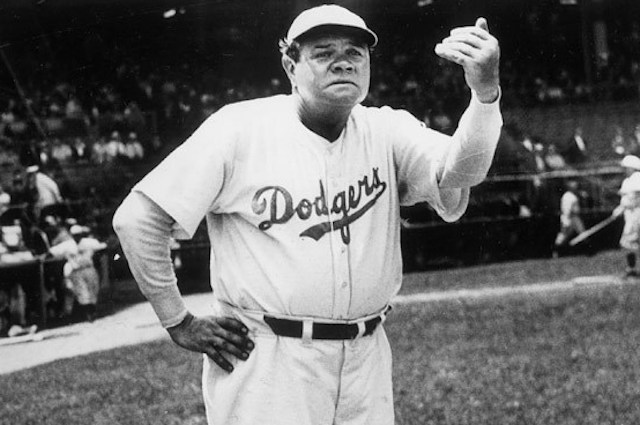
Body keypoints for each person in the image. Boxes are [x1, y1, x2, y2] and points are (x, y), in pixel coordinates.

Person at [113, 5, 502, 425]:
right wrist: (178, 321)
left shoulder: (387, 129)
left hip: (366, 354)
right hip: (268, 360)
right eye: (323, 51)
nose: (343, 61)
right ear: (290, 66)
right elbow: (138, 220)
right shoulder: (240, 129)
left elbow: (462, 172)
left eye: (355, 51)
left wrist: (484, 95)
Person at [613, 155, 640, 276]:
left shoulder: (637, 177)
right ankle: (632, 268)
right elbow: (625, 200)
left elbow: (634, 198)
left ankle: (632, 269)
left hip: (637, 213)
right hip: (630, 214)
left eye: (626, 167)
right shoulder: (627, 181)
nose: (624, 170)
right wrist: (619, 209)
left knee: (628, 241)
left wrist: (623, 207)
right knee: (629, 242)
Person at [553, 179, 585, 257]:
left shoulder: (573, 195)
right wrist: (566, 221)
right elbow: (567, 210)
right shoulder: (567, 196)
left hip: (575, 218)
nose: (576, 186)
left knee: (583, 234)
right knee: (563, 235)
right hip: (568, 218)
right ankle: (556, 252)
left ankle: (586, 251)